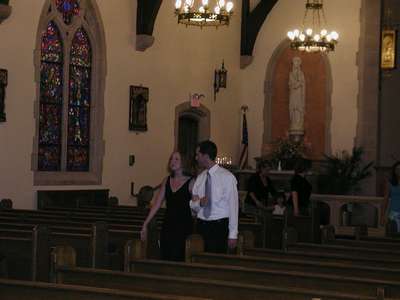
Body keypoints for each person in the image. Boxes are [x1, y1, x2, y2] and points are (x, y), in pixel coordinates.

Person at [141, 151, 194, 261]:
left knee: (179, 256)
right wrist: (145, 224)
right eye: (171, 159)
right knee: (166, 254)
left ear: (183, 162)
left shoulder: (191, 182)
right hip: (168, 224)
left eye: (176, 159)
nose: (172, 161)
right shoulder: (166, 180)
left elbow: (196, 205)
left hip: (184, 224)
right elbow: (157, 204)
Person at [190, 140, 239, 253]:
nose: (196, 158)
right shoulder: (201, 178)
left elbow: (233, 207)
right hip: (201, 226)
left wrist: (233, 234)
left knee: (216, 263)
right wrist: (199, 203)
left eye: (198, 155)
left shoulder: (227, 177)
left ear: (206, 156)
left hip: (219, 227)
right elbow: (192, 205)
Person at [288, 56, 306, 134]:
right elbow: (292, 84)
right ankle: (294, 124)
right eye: (295, 62)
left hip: (299, 95)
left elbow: (303, 83)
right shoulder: (291, 74)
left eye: (297, 62)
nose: (296, 63)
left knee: (299, 109)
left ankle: (298, 125)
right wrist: (298, 83)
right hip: (293, 94)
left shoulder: (301, 74)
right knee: (293, 109)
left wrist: (299, 84)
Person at [382, 161, 400, 232]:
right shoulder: (390, 183)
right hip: (393, 214)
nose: (399, 171)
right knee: (392, 235)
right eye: (397, 169)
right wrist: (382, 216)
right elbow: (385, 199)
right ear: (394, 171)